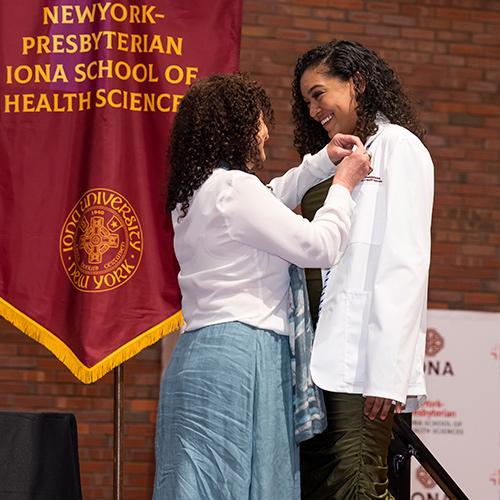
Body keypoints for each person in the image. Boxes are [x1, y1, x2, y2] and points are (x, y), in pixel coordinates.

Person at [152, 73, 371, 500]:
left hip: (196, 355)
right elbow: (319, 245)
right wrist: (342, 185)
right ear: (235, 127)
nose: (265, 133)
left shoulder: (194, 194)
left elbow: (269, 198)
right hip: (243, 354)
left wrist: (321, 162)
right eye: (258, 121)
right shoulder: (235, 189)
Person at [292, 40, 434, 499]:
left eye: (319, 94)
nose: (313, 110)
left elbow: (404, 264)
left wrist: (388, 374)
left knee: (356, 487)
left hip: (363, 371)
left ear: (357, 84)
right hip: (321, 369)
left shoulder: (399, 147)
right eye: (306, 101)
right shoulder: (340, 159)